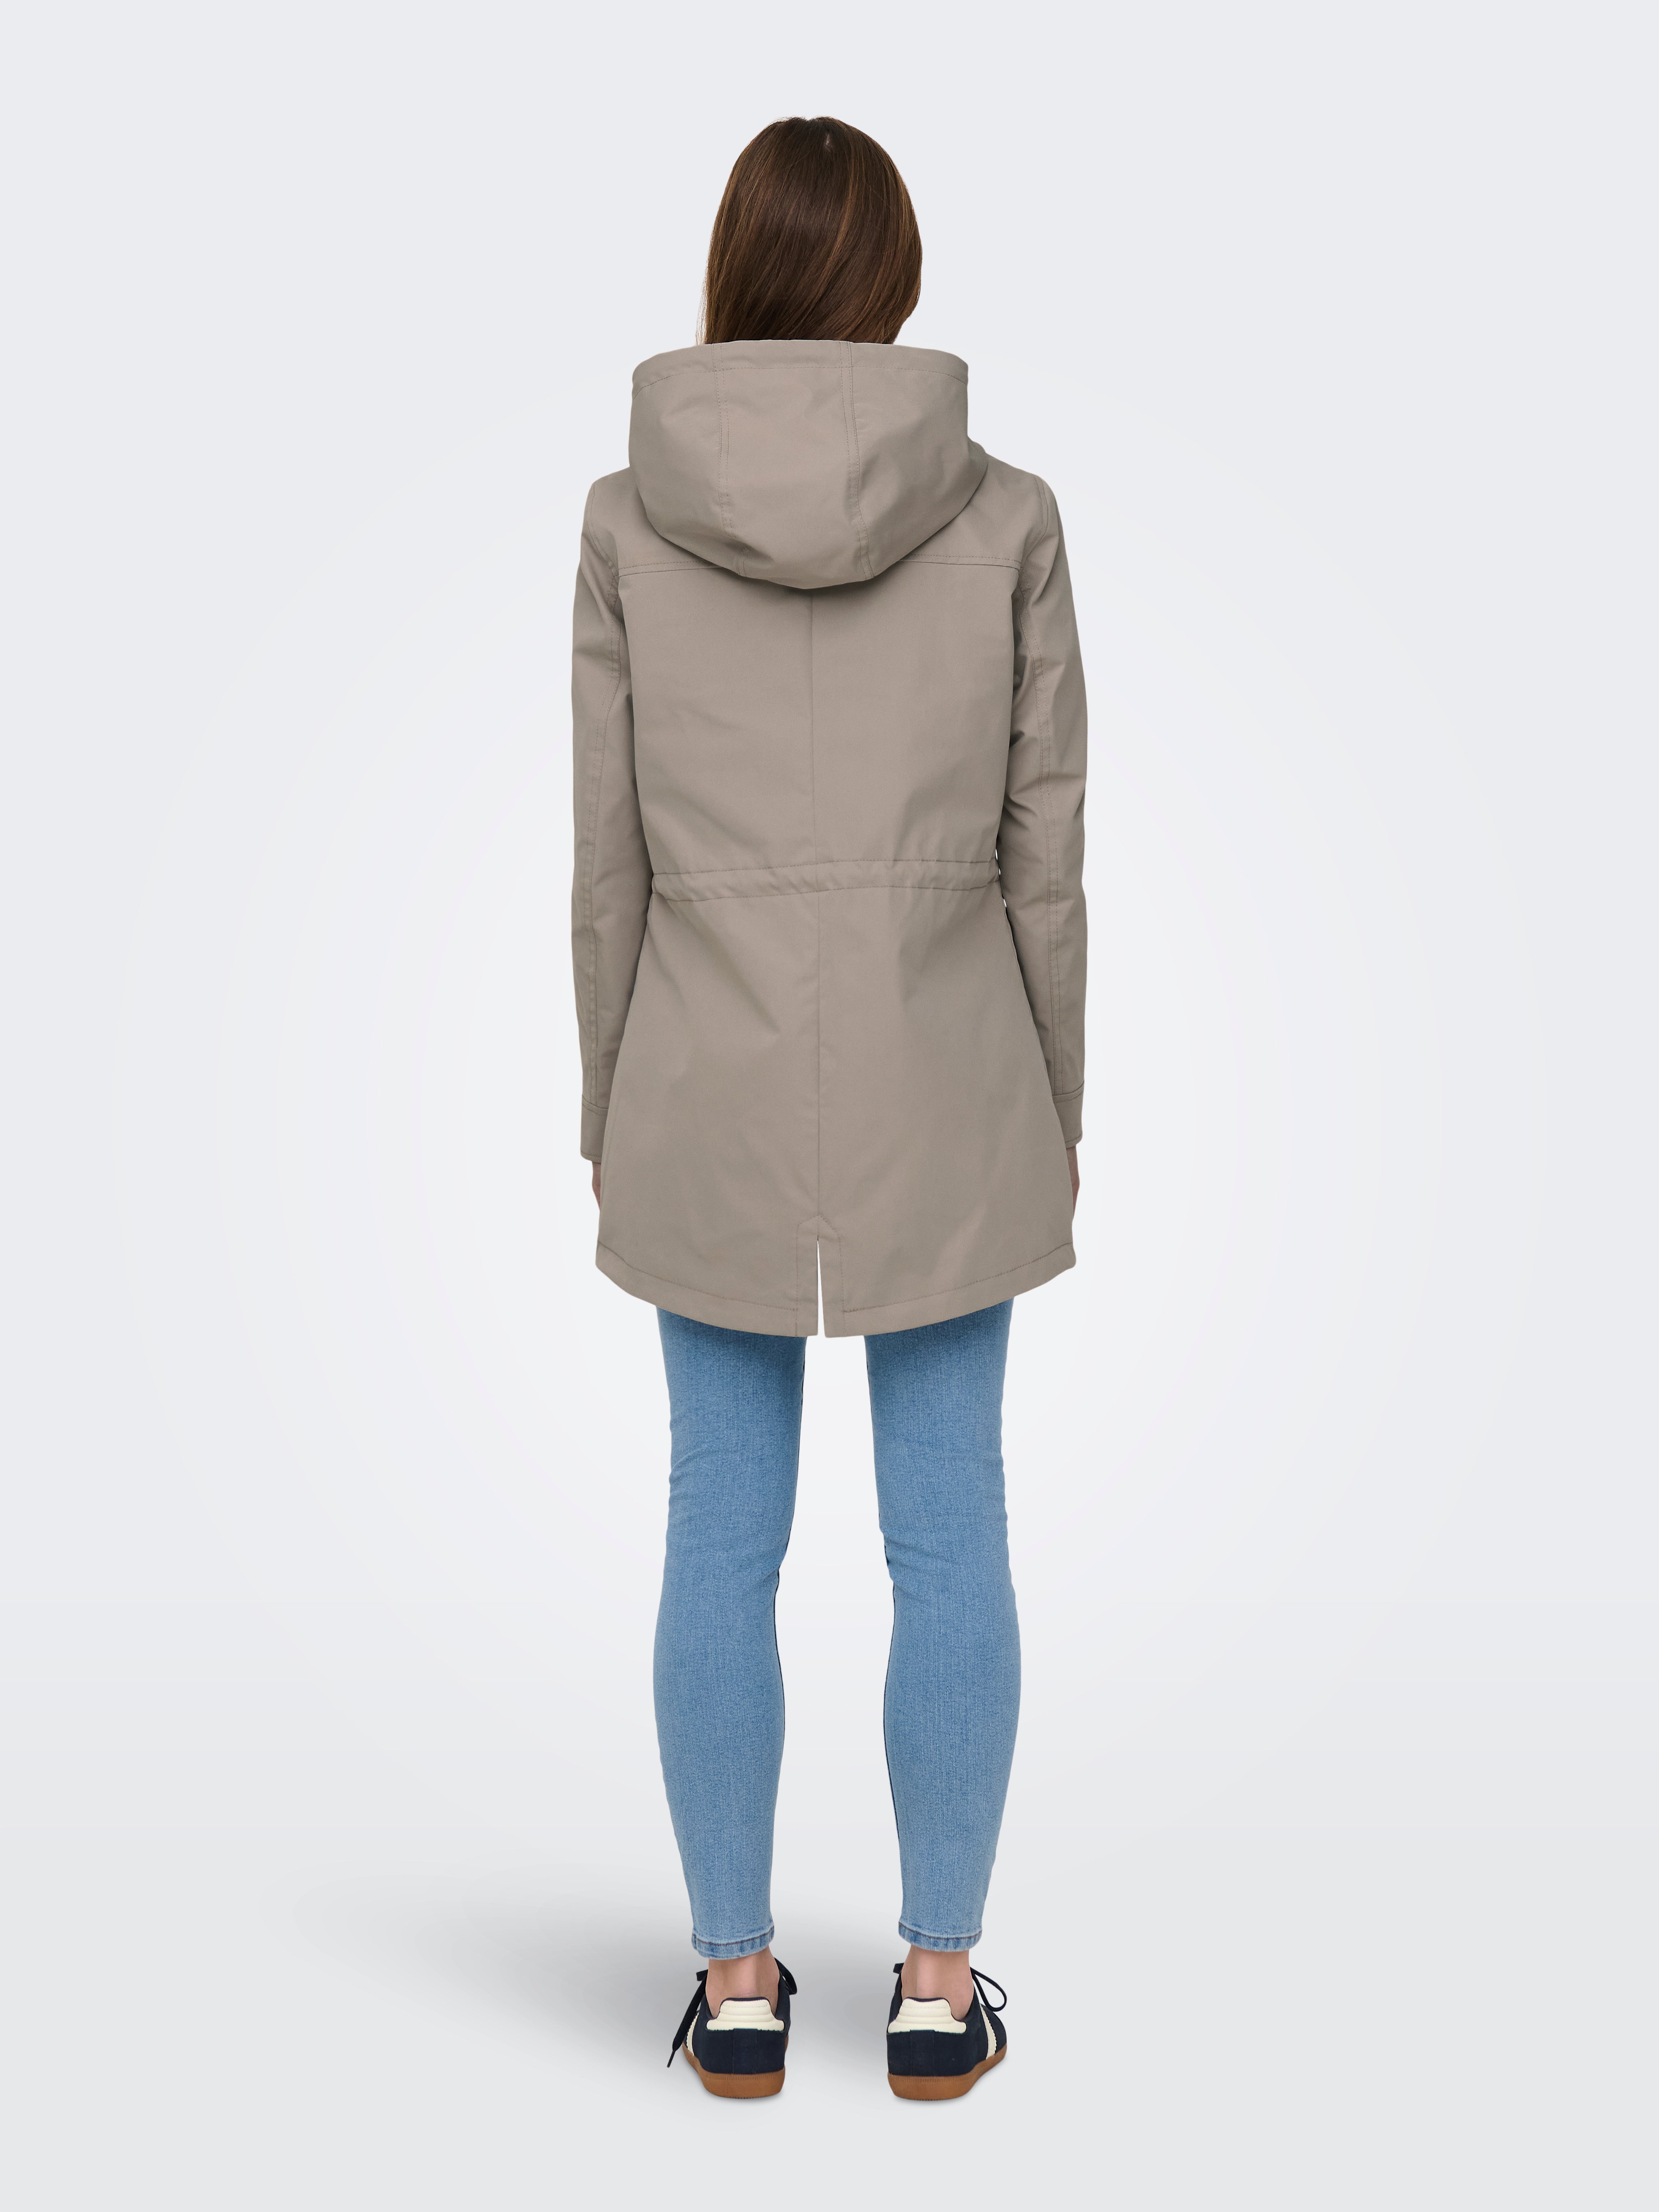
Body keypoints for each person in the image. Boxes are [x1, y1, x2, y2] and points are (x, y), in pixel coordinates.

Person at [570, 115, 1086, 2101]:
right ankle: (938, 1985)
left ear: (736, 265)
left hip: (702, 1070)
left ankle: (738, 1983)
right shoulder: (1007, 514)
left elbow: (604, 860)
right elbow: (1047, 854)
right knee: (951, 1535)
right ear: (895, 274)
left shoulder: (626, 520)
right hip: (952, 1074)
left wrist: (611, 1107)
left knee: (721, 1533)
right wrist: (1054, 1100)